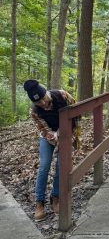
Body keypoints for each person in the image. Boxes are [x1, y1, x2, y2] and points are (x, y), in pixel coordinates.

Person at [24, 79, 80, 221]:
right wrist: (56, 138)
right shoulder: (35, 111)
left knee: (62, 164)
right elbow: (44, 130)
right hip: (48, 136)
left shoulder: (62, 95)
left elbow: (77, 114)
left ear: (46, 92)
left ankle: (55, 196)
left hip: (67, 132)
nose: (42, 103)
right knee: (44, 166)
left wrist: (66, 134)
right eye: (38, 102)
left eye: (43, 99)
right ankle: (39, 203)